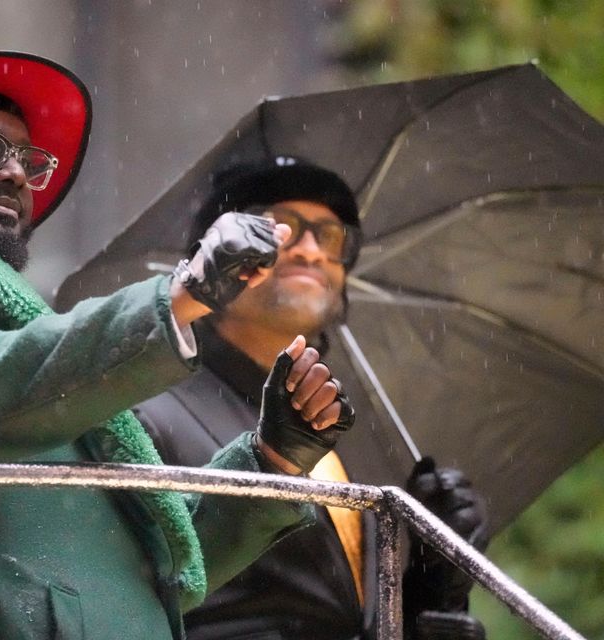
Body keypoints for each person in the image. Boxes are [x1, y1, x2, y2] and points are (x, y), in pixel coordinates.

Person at [0, 32, 356, 640]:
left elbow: (158, 574)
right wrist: (176, 300)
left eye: (28, 160)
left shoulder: (30, 363)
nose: (14, 174)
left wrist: (270, 460)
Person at [136, 157, 490, 640]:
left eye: (330, 236)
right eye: (280, 229)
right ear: (219, 258)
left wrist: (430, 582)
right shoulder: (149, 413)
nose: (310, 251)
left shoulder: (326, 431)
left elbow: (327, 618)